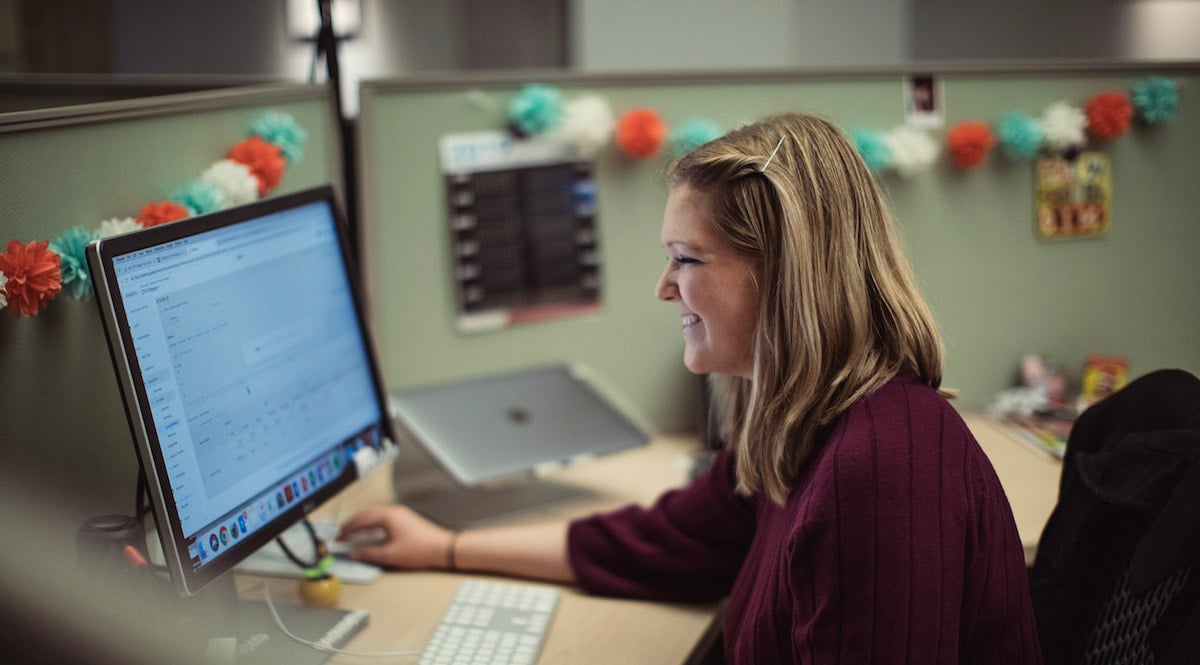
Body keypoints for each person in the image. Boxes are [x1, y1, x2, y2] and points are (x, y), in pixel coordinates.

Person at [339, 112, 1043, 663]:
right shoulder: (795, 423)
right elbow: (659, 542)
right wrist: (443, 546)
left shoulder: (880, 469)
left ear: (784, 275)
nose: (663, 287)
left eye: (687, 259)